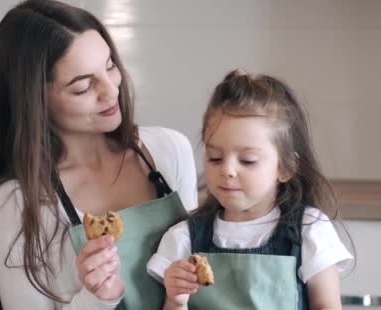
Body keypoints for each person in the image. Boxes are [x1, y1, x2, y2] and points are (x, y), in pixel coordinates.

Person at [0, 0, 198, 310]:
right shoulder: (17, 201)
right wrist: (96, 298)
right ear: (35, 100)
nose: (111, 90)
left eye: (110, 65)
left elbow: (201, 278)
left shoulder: (169, 151)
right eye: (83, 87)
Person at [146, 69, 353, 310]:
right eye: (215, 158)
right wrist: (175, 300)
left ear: (285, 168)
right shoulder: (182, 240)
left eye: (247, 160)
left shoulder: (309, 230)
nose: (228, 170)